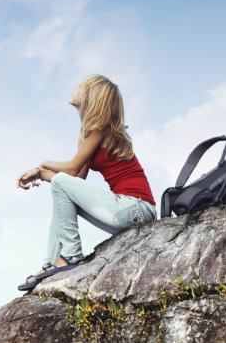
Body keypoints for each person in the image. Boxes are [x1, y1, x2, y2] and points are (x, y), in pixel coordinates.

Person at [16, 74, 157, 291]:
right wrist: (41, 174)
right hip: (126, 212)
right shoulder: (87, 135)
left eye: (81, 85)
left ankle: (71, 256)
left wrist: (41, 166)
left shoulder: (100, 129)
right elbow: (74, 182)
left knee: (60, 182)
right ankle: (52, 262)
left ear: (92, 96)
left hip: (136, 207)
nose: (75, 86)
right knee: (61, 187)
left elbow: (70, 170)